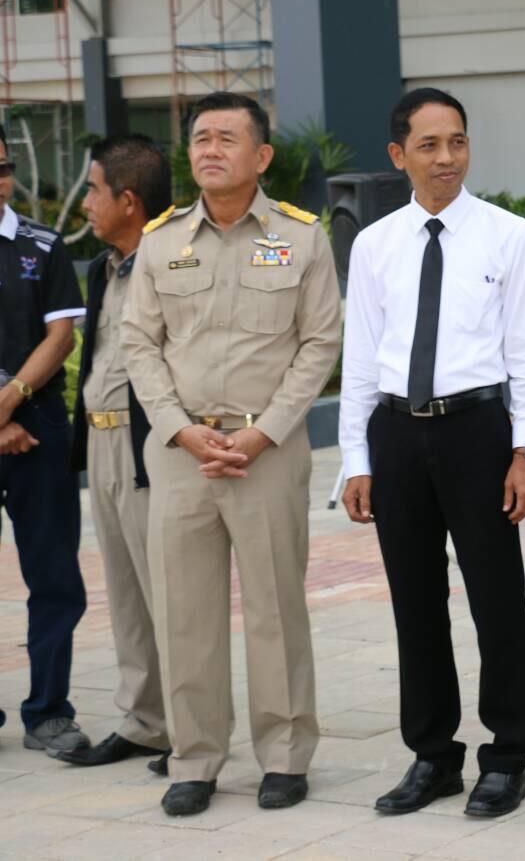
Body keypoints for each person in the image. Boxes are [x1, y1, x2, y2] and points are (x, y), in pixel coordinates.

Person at [121, 92, 341, 817]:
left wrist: (264, 430)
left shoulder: (301, 237)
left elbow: (319, 343)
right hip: (181, 451)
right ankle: (195, 758)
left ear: (261, 155)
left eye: (226, 138)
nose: (210, 150)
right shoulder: (161, 240)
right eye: (200, 139)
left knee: (275, 607)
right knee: (184, 613)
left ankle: (284, 755)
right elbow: (138, 344)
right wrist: (178, 428)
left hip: (264, 450)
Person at [339, 87, 525, 819]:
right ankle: (432, 755)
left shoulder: (509, 236)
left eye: (457, 141)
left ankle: (508, 755)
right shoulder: (374, 244)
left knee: (497, 598)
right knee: (415, 602)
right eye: (429, 145)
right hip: (397, 433)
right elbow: (361, 358)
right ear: (398, 155)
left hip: (478, 431)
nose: (446, 158)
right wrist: (356, 458)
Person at [57, 135, 173, 773]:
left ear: (128, 201)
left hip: (148, 445)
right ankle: (145, 722)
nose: (87, 205)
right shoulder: (106, 268)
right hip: (102, 443)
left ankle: (190, 726)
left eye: (94, 191)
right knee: (126, 592)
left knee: (168, 593)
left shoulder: (171, 261)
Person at [0, 124, 89, 756]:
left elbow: (61, 336)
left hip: (39, 429)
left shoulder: (43, 244)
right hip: (12, 421)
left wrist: (9, 402)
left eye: (4, 167)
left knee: (55, 574)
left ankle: (49, 712)